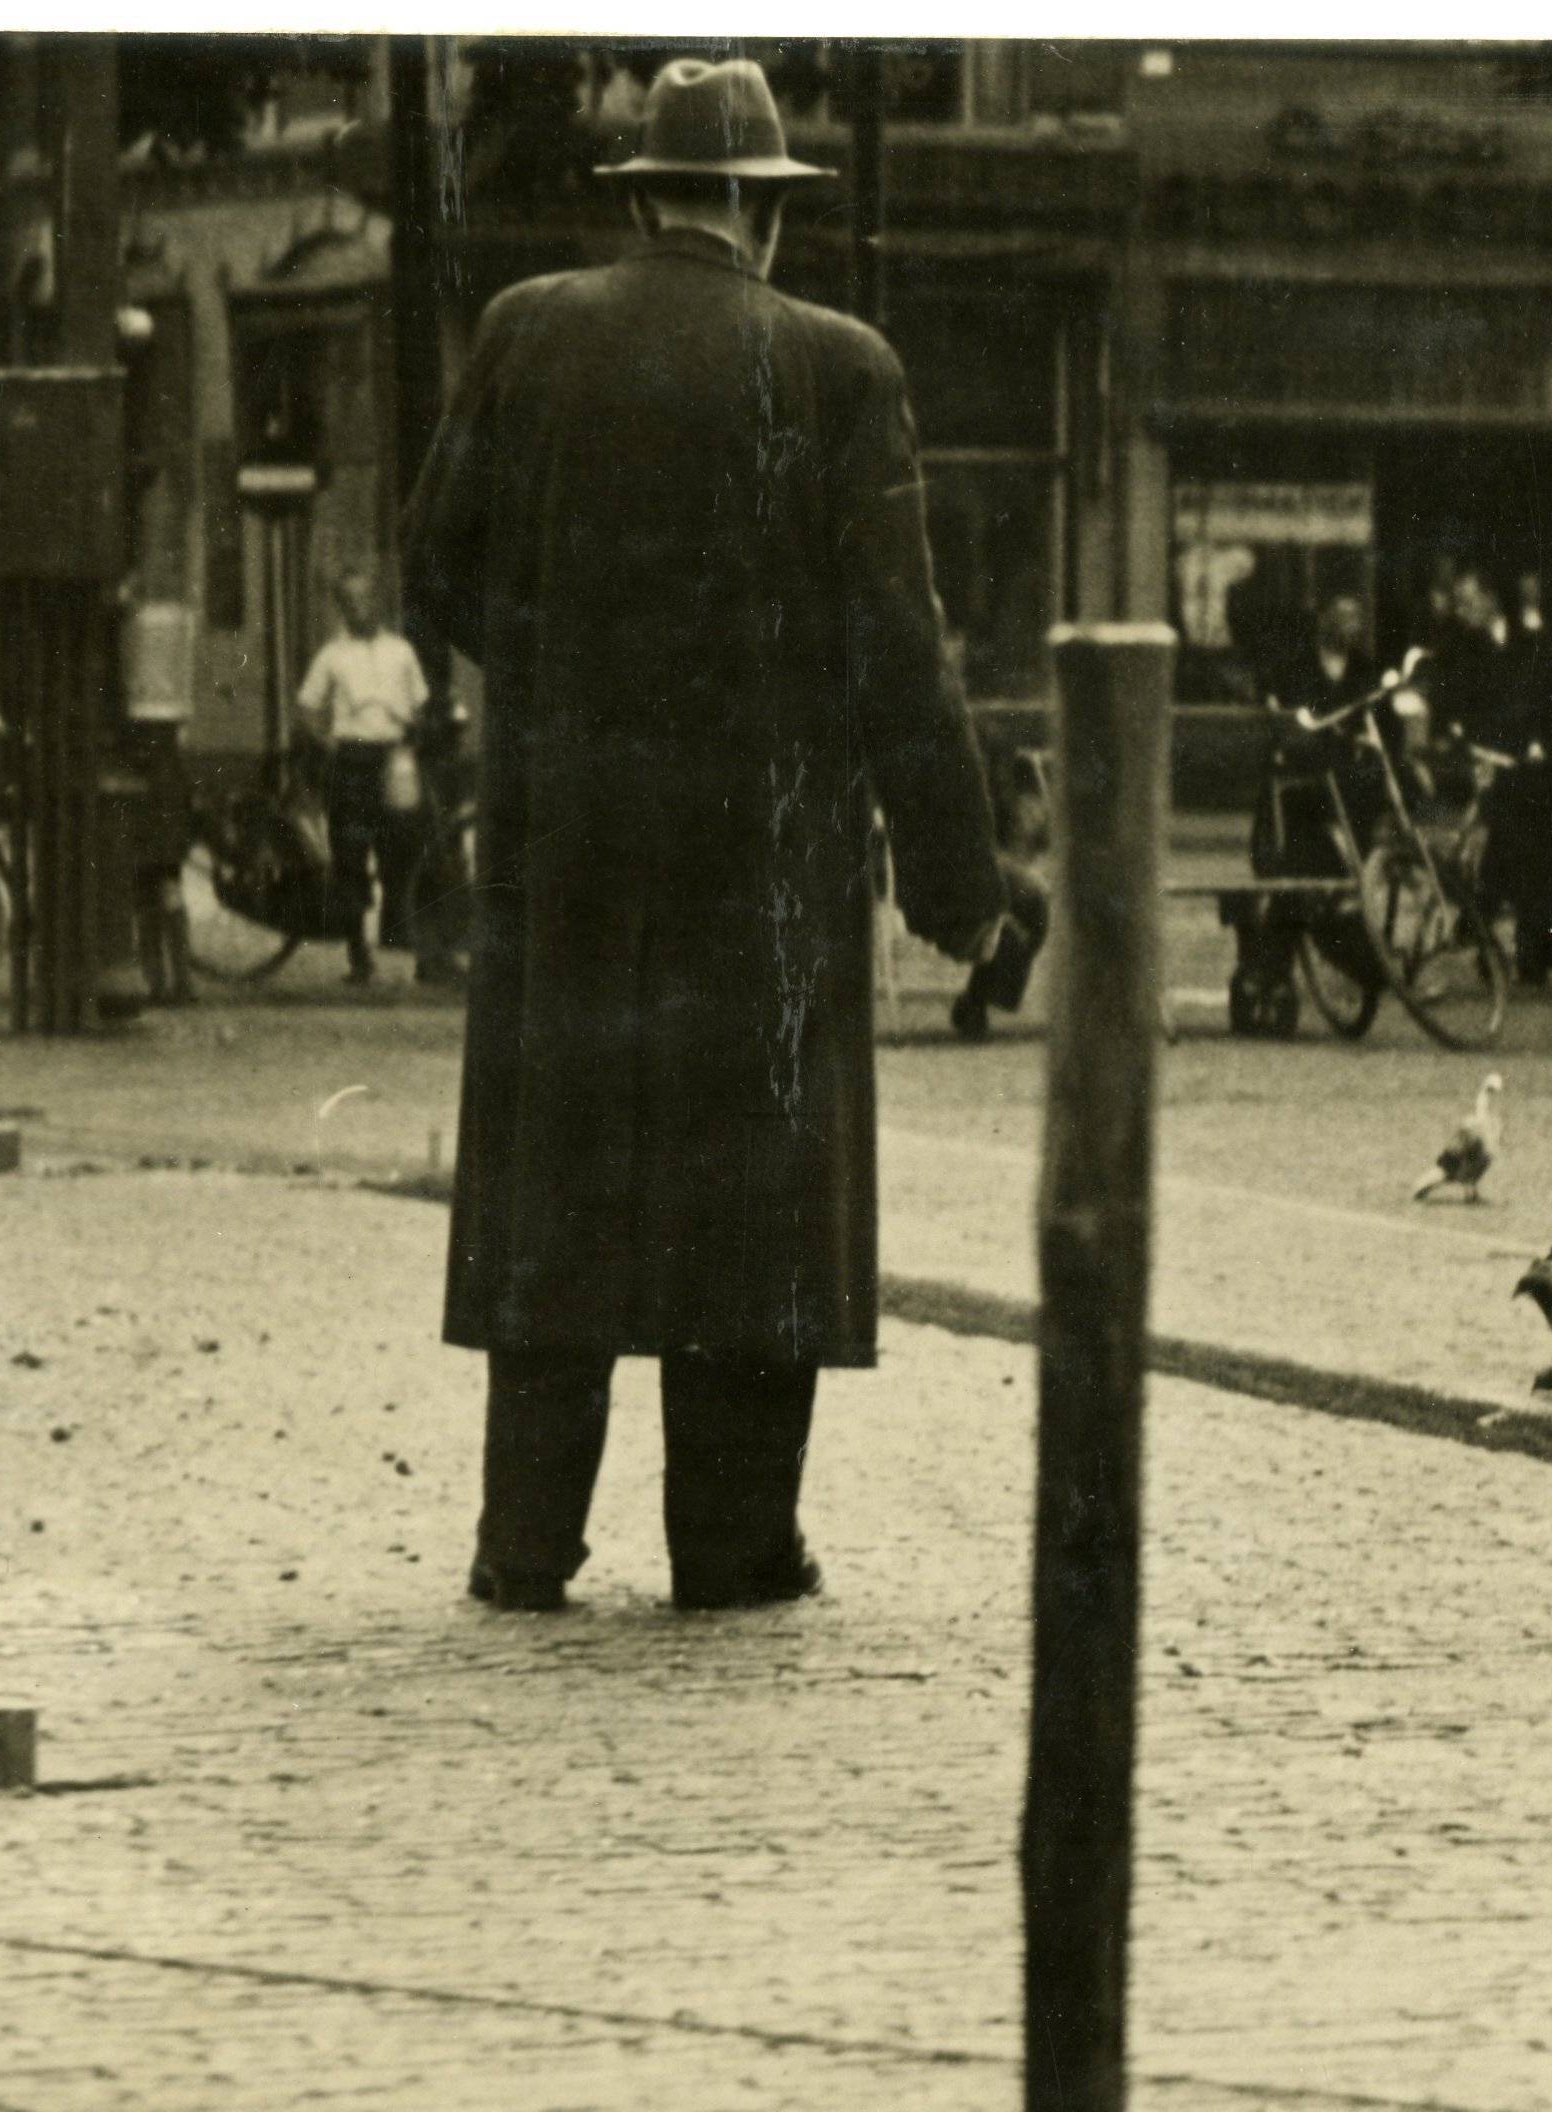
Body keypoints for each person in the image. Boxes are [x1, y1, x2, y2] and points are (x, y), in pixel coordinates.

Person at [399, 56, 1011, 1617]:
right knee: (747, 1211)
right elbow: (898, 657)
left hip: (564, 865)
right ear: (762, 211)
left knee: (557, 1195)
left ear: (647, 198)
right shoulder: (836, 369)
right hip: (763, 877)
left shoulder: (525, 332)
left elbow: (437, 572)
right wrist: (961, 888)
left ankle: (521, 1547)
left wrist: (556, 690)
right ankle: (732, 1552)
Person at [1430, 565, 1552, 988]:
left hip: (1535, 765)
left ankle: (1533, 942)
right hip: (1494, 763)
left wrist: (1546, 741)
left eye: (1470, 600)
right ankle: (1525, 937)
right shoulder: (1459, 649)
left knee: (1543, 845)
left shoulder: (1531, 642)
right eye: (1458, 603)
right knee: (1510, 847)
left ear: (1491, 598)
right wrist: (1461, 735)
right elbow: (1453, 704)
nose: (1463, 610)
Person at [1243, 589, 1398, 1032]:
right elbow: (1281, 722)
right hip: (1301, 796)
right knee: (1304, 881)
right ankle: (1276, 973)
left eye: (1357, 618)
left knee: (1334, 877)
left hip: (1344, 795)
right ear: (1324, 622)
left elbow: (1384, 725)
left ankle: (1359, 954)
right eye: (1342, 617)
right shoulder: (1296, 667)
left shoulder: (1366, 672)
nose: (1352, 627)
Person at [295, 565, 440, 990]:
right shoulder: (333, 656)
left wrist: (413, 739)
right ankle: (359, 954)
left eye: (367, 599)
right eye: (351, 601)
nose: (361, 608)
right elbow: (306, 707)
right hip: (351, 760)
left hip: (394, 757)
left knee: (407, 840)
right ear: (342, 608)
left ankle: (399, 930)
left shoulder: (401, 652)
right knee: (351, 852)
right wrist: (327, 743)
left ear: (378, 602)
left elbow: (421, 703)